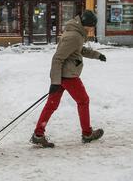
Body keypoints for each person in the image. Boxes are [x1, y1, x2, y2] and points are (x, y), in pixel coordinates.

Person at [31, 10, 107, 148]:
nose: (91, 30)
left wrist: (97, 55)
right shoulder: (74, 36)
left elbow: (78, 50)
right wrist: (55, 82)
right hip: (68, 76)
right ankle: (87, 133)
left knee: (51, 105)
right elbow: (57, 58)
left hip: (63, 75)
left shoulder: (75, 32)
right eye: (92, 27)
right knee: (83, 101)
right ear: (87, 25)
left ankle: (38, 134)